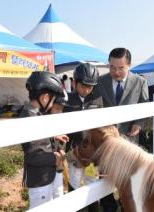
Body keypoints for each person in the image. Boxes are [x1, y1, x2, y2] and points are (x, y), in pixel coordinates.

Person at [96, 47, 149, 212]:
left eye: (120, 68)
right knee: (104, 176)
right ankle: (108, 206)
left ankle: (127, 205)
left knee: (129, 178)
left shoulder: (140, 82)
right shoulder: (100, 81)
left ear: (129, 65)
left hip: (129, 141)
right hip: (106, 141)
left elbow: (146, 107)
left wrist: (139, 123)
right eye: (112, 67)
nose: (116, 71)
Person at [20, 71, 68, 209]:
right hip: (39, 180)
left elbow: (36, 138)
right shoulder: (31, 117)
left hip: (44, 177)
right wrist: (56, 159)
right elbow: (33, 155)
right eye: (53, 100)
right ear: (46, 97)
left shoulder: (35, 113)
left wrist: (52, 136)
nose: (53, 104)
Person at [63, 62, 103, 212]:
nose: (86, 90)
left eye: (90, 86)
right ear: (74, 82)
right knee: (74, 181)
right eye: (83, 86)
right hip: (74, 150)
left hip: (92, 152)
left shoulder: (97, 100)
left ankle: (94, 209)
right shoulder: (67, 101)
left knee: (92, 182)